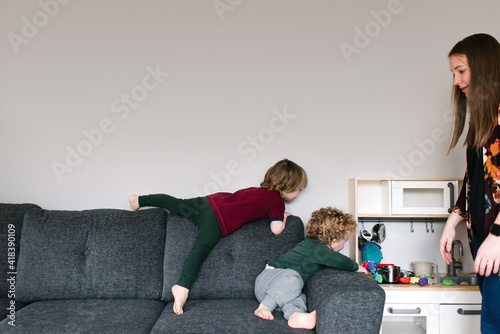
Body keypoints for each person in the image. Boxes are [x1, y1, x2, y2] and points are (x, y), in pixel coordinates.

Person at [129, 158, 307, 315]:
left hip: (211, 202)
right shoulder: (276, 201)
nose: (299, 192)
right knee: (199, 251)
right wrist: (283, 216)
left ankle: (139, 200)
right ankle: (182, 287)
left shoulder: (260, 191)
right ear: (287, 187)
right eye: (299, 188)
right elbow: (276, 229)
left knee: (177, 204)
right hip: (218, 219)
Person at [439, 33, 500, 334]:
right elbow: (476, 178)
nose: (455, 81)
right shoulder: (483, 119)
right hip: (487, 244)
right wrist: (453, 220)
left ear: (484, 67)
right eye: (453, 73)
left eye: (461, 71)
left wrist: (498, 236)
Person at [253, 207, 367, 329]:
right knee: (294, 277)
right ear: (333, 242)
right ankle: (264, 307)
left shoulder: (315, 248)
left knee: (298, 298)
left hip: (281, 293)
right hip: (268, 281)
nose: (343, 245)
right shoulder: (317, 249)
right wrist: (356, 267)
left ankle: (294, 316)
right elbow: (339, 260)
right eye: (344, 241)